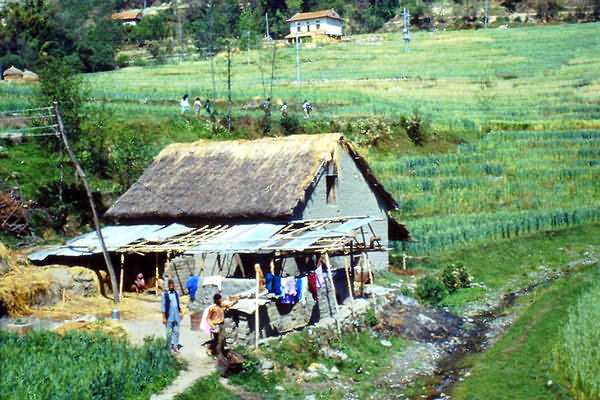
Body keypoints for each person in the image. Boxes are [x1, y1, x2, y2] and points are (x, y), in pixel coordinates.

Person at [161, 280, 182, 354]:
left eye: (173, 285)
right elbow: (163, 307)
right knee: (169, 332)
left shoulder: (176, 293)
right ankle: (169, 347)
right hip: (169, 317)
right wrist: (163, 318)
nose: (172, 286)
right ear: (168, 285)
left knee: (176, 332)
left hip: (176, 316)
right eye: (170, 285)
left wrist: (181, 313)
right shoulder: (165, 295)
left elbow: (179, 304)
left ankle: (176, 347)